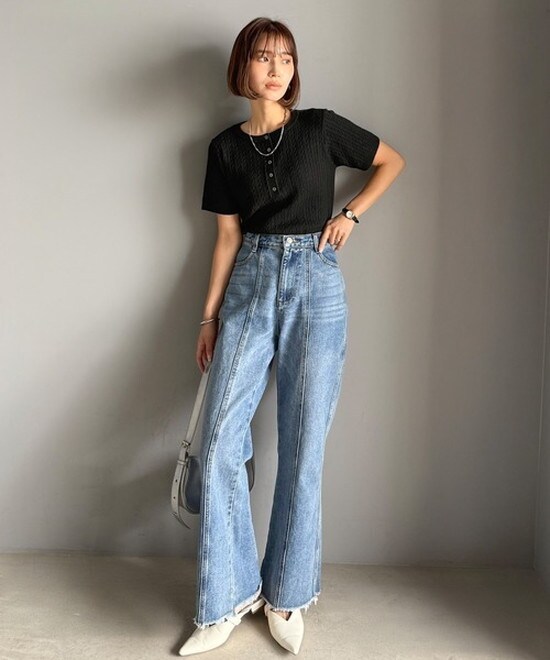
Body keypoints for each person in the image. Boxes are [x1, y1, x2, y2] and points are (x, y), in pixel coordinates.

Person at [178, 16, 405, 657]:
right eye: (262, 56)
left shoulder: (320, 128)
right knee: (219, 442)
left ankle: (287, 595)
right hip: (250, 282)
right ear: (242, 67)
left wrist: (350, 213)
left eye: (285, 57)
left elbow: (391, 161)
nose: (276, 68)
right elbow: (226, 237)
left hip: (315, 284)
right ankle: (227, 596)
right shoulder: (224, 149)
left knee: (304, 446)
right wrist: (209, 317)